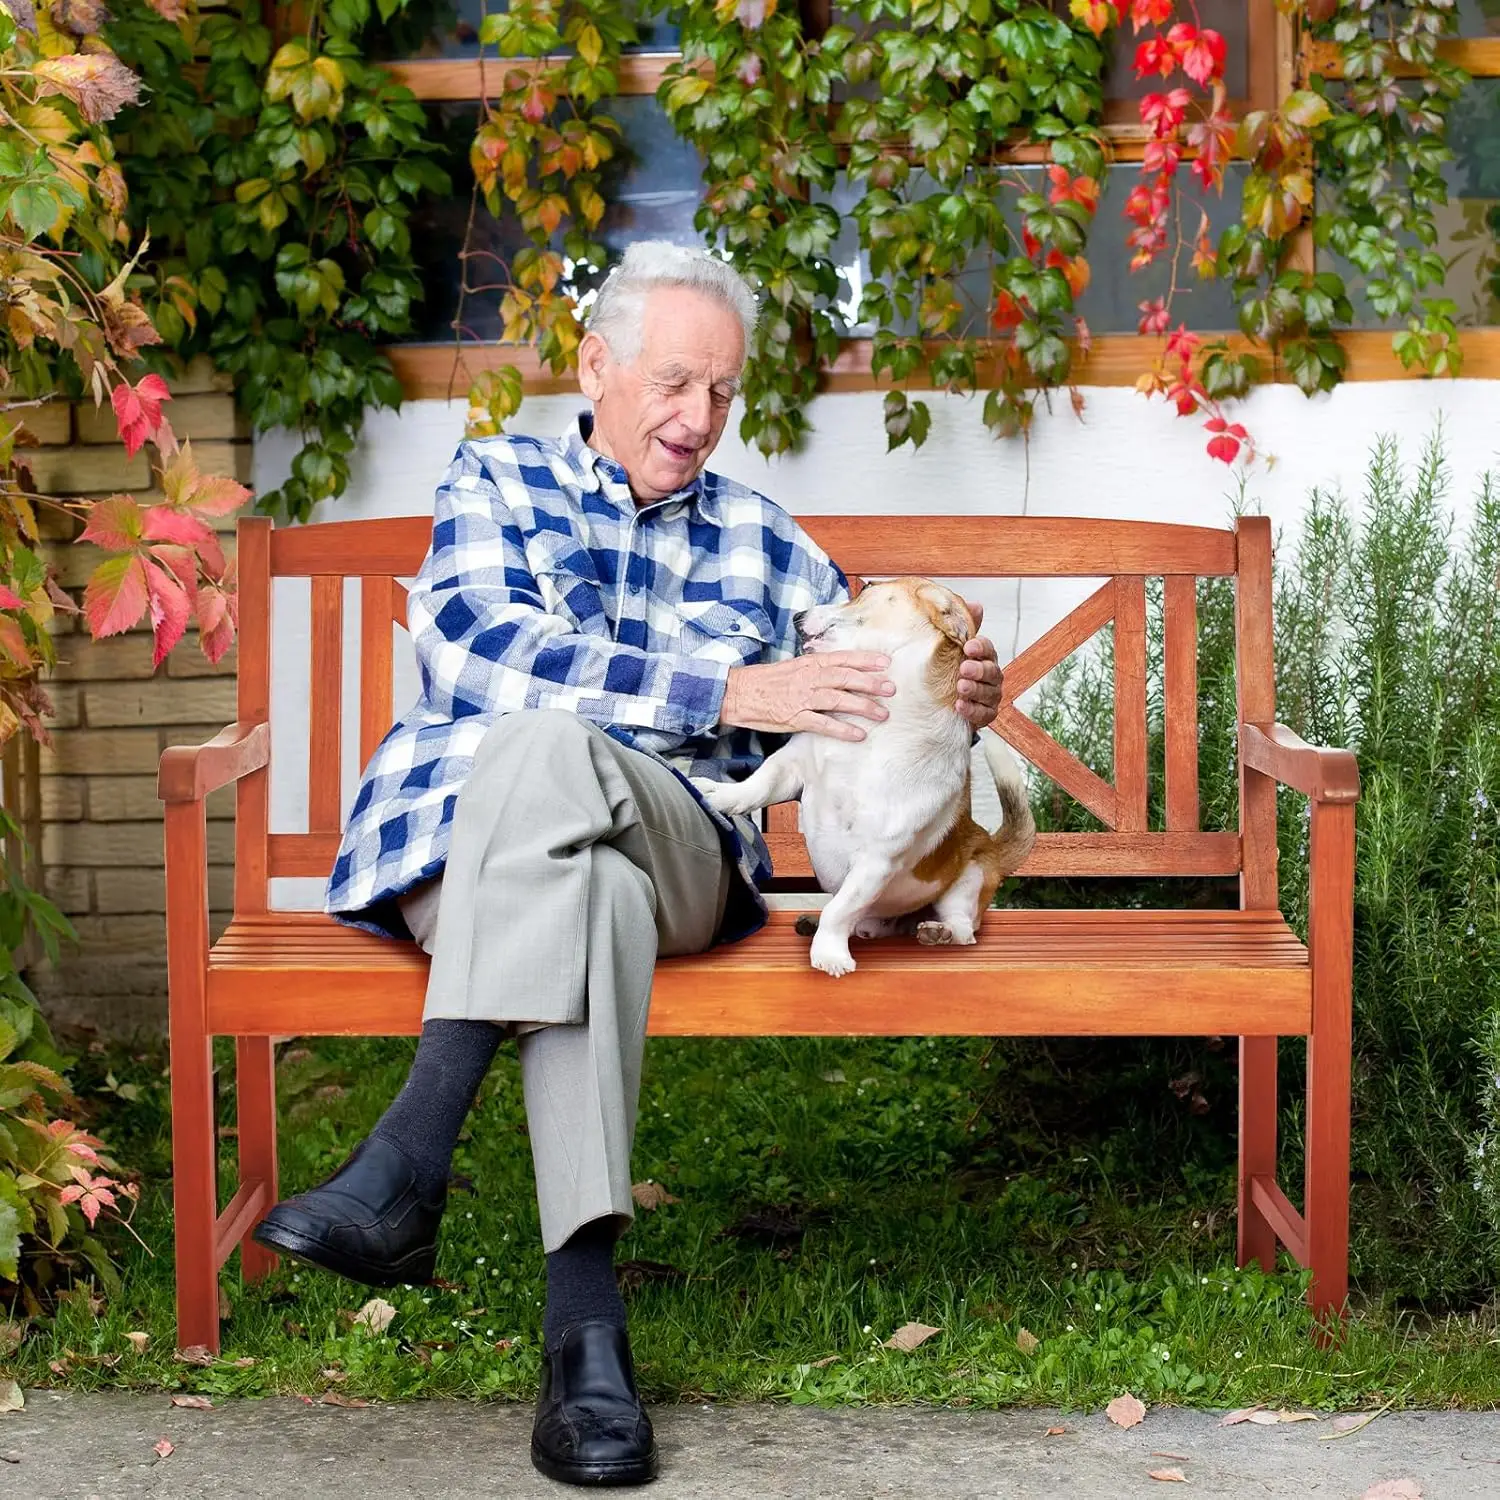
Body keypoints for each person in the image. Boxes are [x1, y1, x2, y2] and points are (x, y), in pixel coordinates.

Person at [252, 242, 1005, 1487]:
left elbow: (871, 682)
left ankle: (409, 1160)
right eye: (672, 382)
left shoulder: (765, 541)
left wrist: (954, 692)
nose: (697, 417)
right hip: (468, 849)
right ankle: (585, 1338)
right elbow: (483, 656)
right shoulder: (494, 480)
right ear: (595, 365)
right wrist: (724, 682)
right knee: (566, 842)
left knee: (569, 782)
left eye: (721, 392)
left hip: (682, 854)